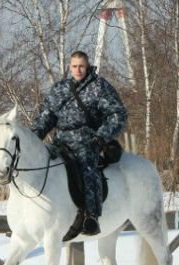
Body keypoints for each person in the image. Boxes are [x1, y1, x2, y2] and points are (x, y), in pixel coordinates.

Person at [31, 50, 127, 237]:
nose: (78, 70)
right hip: (60, 142)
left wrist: (101, 137)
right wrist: (33, 139)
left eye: (81, 66)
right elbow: (46, 117)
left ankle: (91, 216)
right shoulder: (60, 89)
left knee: (88, 169)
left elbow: (118, 114)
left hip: (87, 141)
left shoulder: (99, 87)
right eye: (74, 66)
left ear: (87, 65)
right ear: (69, 66)